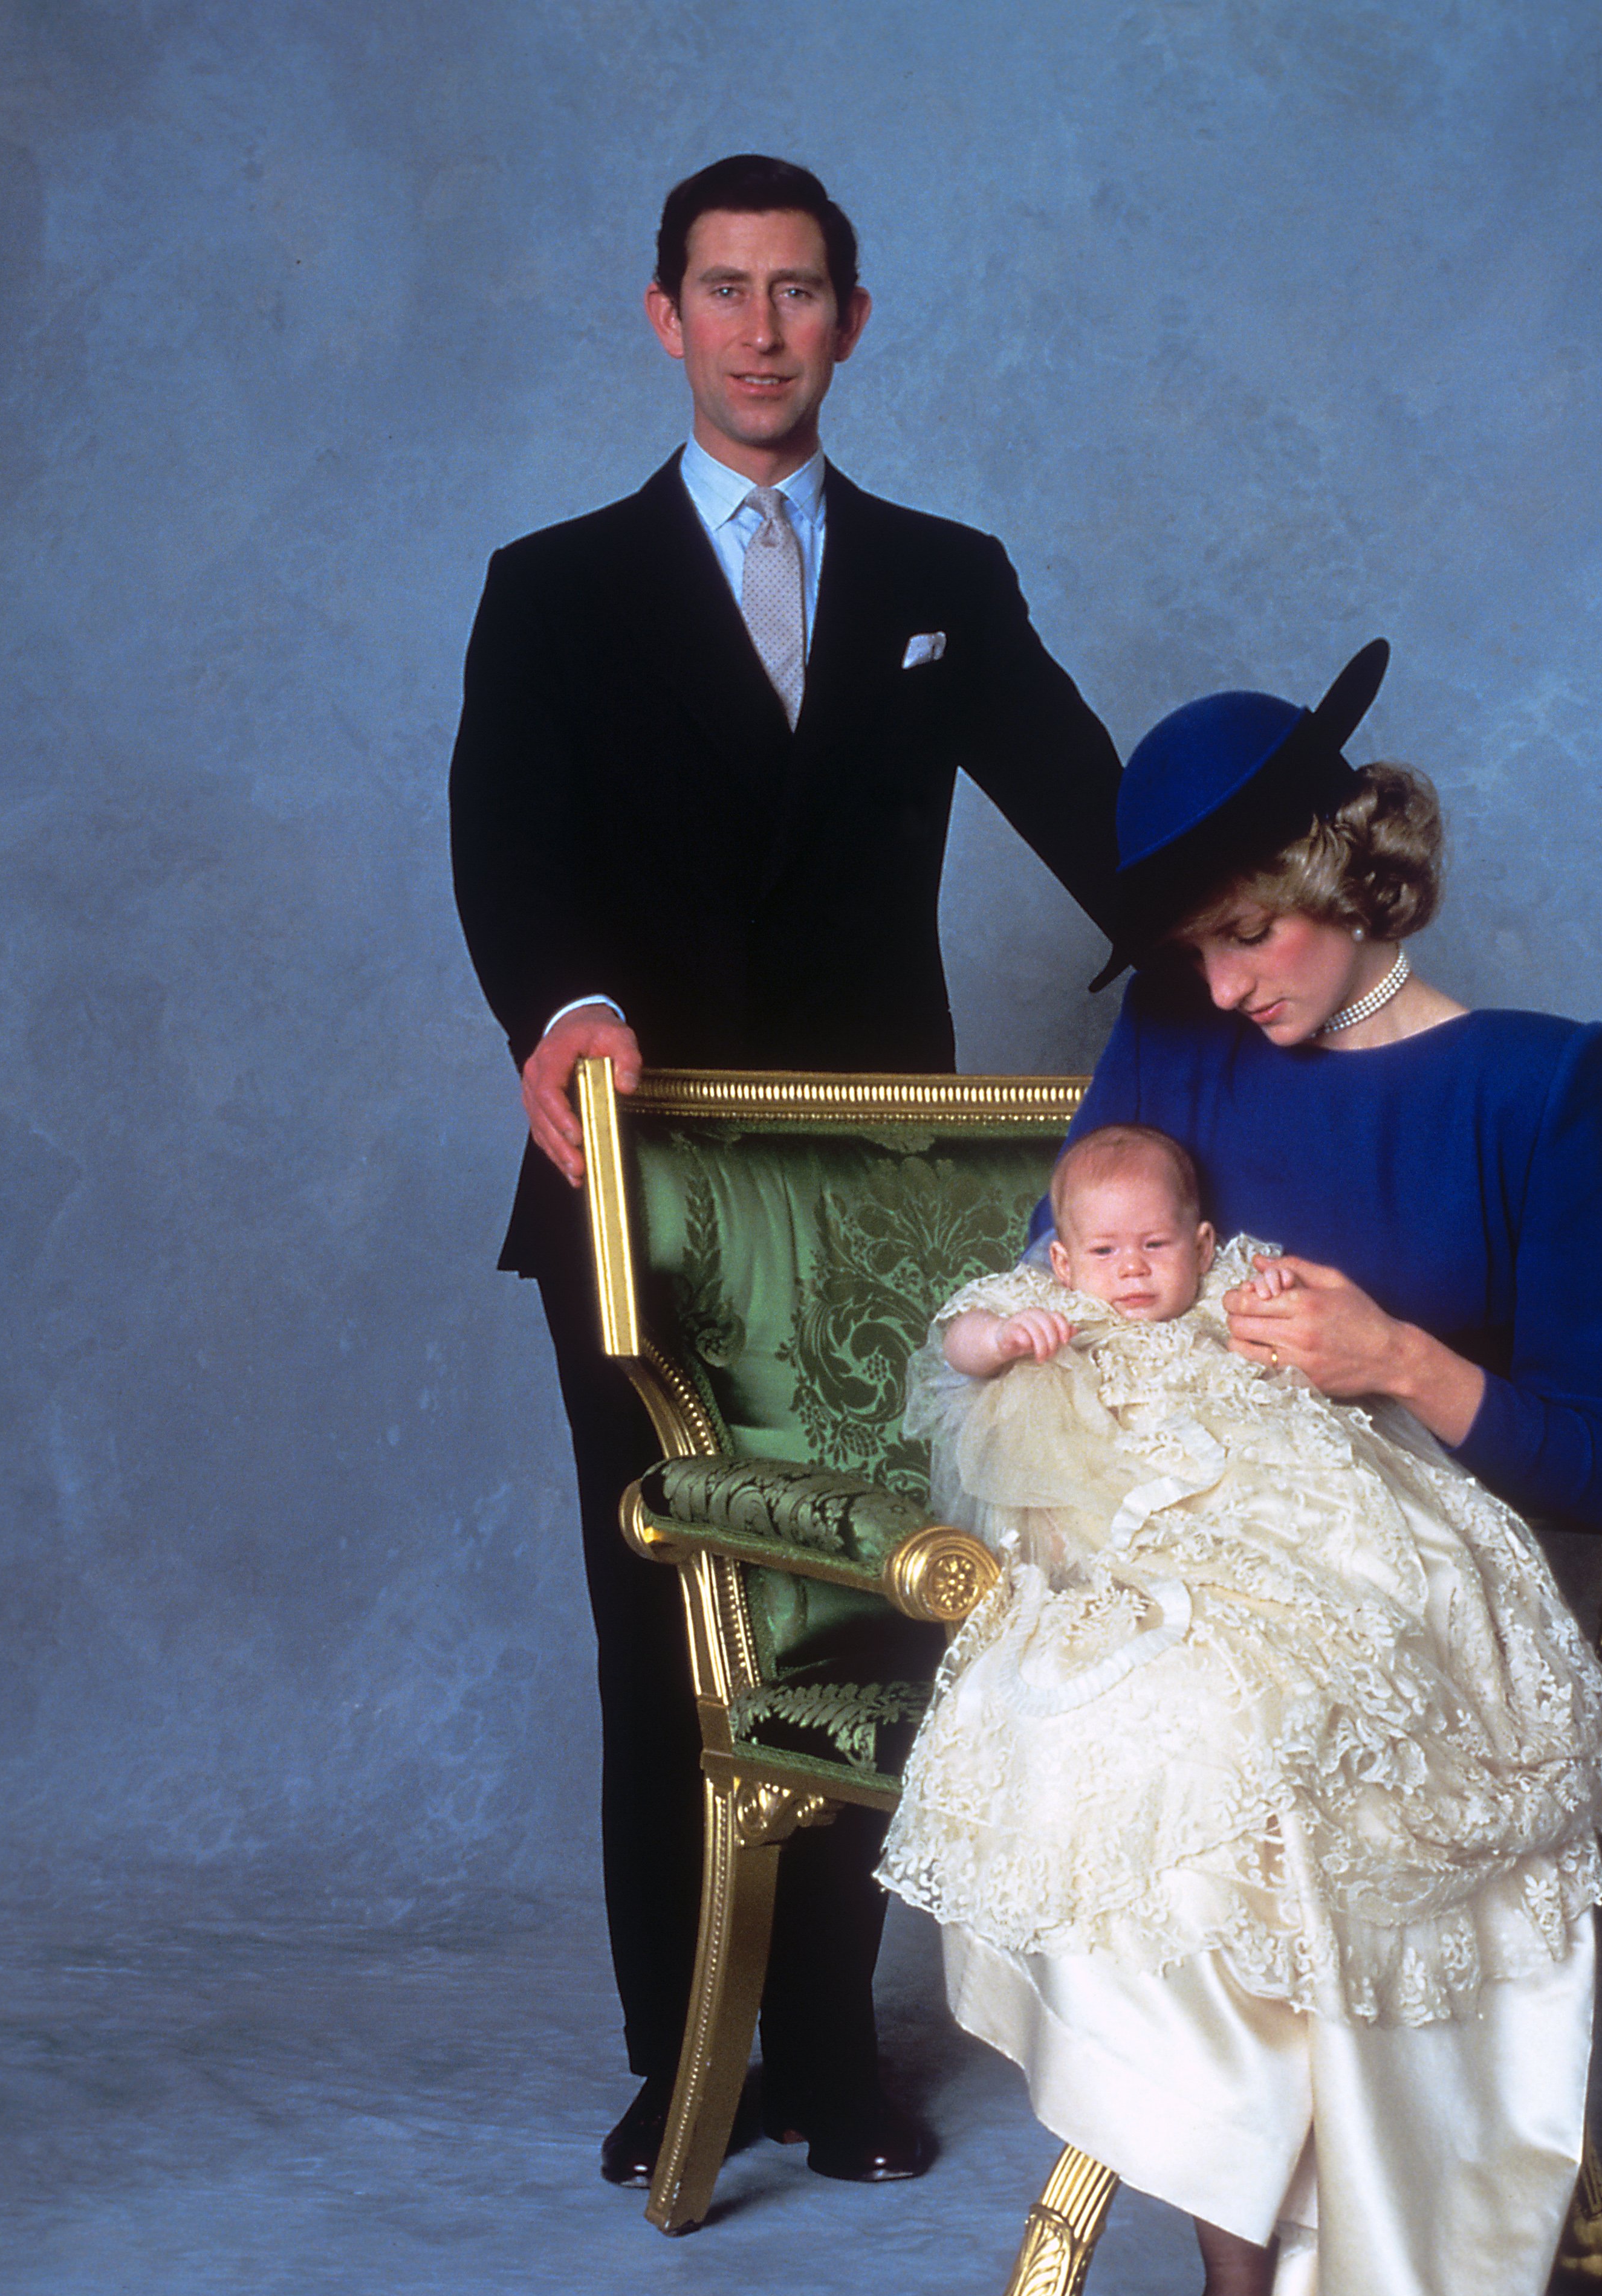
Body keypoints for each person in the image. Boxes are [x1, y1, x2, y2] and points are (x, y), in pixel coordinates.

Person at [904, 645, 1602, 2296]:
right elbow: (1061, 1286)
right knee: (1092, 1731)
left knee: (1250, 1748)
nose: (1228, 988)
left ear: (1360, 878)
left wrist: (1397, 1357)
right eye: (1197, 947)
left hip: (1410, 1563)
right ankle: (1248, 2282)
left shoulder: (1536, 1082)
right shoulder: (1172, 1032)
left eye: (1254, 934)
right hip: (1185, 1536)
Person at [448, 154, 1122, 2190]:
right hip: (637, 1190)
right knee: (662, 1619)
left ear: (850, 317)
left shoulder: (945, 576)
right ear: (663, 315)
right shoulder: (551, 588)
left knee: (863, 1606)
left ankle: (832, 2042)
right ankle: (694, 2049)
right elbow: (507, 842)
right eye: (723, 290)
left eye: (798, 290)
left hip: (873, 1205)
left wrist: (1290, 908)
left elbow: (1104, 816)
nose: (760, 326)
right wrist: (558, 1005)